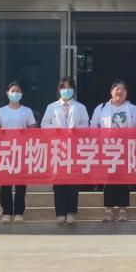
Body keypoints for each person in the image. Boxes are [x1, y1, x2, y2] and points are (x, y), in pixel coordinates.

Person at [91, 79, 136, 222]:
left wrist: (134, 143)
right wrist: (100, 141)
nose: (119, 92)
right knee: (108, 179)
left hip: (125, 148)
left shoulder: (132, 108)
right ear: (111, 91)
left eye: (123, 89)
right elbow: (93, 126)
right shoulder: (101, 108)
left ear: (126, 93)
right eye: (117, 89)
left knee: (123, 179)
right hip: (107, 148)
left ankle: (123, 210)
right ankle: (108, 210)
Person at [41, 76, 89, 225]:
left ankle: (71, 212)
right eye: (63, 88)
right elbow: (44, 125)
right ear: (59, 89)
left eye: (69, 88)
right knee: (59, 181)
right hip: (58, 148)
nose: (66, 90)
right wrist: (56, 130)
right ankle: (60, 212)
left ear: (73, 90)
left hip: (74, 148)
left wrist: (76, 131)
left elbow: (86, 124)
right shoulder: (52, 107)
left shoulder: (80, 107)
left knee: (73, 181)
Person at [0, 81, 37, 223]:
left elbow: (33, 129)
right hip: (5, 151)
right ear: (7, 93)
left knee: (20, 183)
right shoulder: (1, 111)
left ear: (22, 94)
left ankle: (19, 211)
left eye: (18, 91)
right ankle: (6, 211)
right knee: (5, 183)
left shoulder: (27, 111)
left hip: (22, 150)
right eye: (12, 91)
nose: (15, 93)